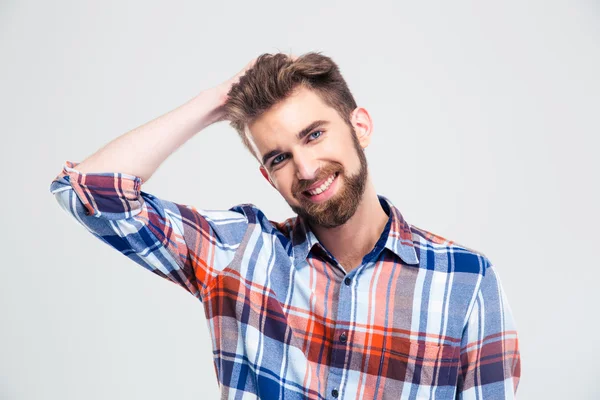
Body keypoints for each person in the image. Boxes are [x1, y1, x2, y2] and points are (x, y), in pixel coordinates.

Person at [50, 52, 521, 399]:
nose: (307, 168)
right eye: (280, 158)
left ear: (360, 127)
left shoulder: (467, 280)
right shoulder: (240, 252)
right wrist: (212, 104)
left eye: (314, 134)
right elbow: (88, 190)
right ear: (266, 175)